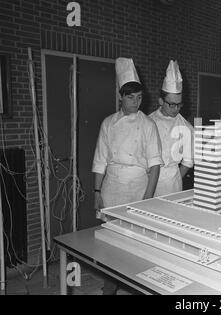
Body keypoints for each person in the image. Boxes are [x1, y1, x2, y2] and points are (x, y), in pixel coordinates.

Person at [92, 57, 163, 294]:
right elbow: (100, 160)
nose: (136, 102)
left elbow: (154, 166)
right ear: (121, 96)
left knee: (137, 243)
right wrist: (97, 191)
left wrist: (148, 198)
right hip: (112, 188)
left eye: (139, 97)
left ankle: (139, 287)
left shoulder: (148, 125)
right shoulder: (108, 123)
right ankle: (108, 288)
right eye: (131, 97)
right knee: (112, 242)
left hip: (138, 188)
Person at [149, 60, 194, 197]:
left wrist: (174, 179)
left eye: (179, 105)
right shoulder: (148, 122)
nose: (176, 109)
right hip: (146, 180)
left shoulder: (186, 127)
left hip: (172, 184)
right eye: (172, 105)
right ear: (161, 101)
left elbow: (188, 161)